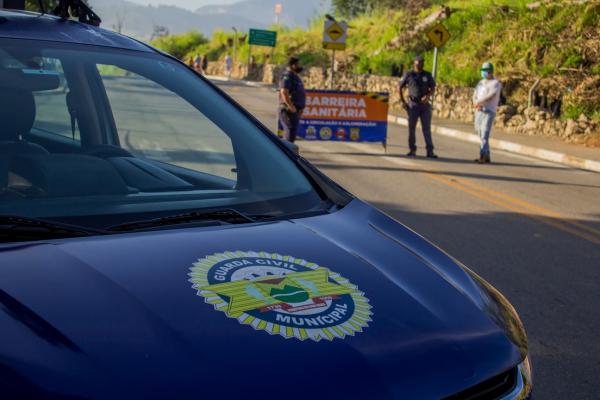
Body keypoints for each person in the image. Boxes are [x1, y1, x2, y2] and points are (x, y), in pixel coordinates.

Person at [399, 55, 438, 158]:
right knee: (412, 128)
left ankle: (430, 151)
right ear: (414, 63)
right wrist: (403, 101)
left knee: (426, 129)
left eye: (422, 62)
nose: (421, 64)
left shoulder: (427, 75)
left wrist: (428, 96)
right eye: (419, 62)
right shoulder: (409, 74)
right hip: (413, 105)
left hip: (425, 106)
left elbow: (433, 88)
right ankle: (412, 149)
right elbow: (400, 87)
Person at [472, 62, 502, 164]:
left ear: (491, 71)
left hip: (489, 111)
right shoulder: (481, 82)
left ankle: (483, 155)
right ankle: (486, 155)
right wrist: (475, 102)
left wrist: (479, 101)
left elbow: (490, 96)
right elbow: (475, 94)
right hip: (479, 110)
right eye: (483, 71)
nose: (484, 73)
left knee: (484, 133)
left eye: (486, 71)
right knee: (479, 132)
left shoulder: (496, 83)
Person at [278, 56, 306, 143]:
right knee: (289, 135)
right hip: (288, 111)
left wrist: (299, 109)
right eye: (298, 64)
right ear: (293, 65)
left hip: (294, 111)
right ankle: (284, 156)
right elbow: (284, 91)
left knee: (291, 136)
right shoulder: (288, 75)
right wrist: (291, 107)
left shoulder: (295, 76)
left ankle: (287, 154)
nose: (300, 66)